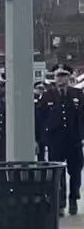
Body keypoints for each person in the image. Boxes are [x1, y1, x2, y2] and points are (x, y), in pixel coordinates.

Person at [36, 65, 84, 215]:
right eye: (58, 75)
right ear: (54, 77)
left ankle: (73, 198)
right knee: (58, 172)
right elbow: (39, 119)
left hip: (73, 140)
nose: (61, 78)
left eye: (64, 75)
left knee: (75, 171)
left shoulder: (77, 94)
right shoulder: (48, 96)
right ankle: (60, 201)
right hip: (55, 141)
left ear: (69, 77)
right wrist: (39, 140)